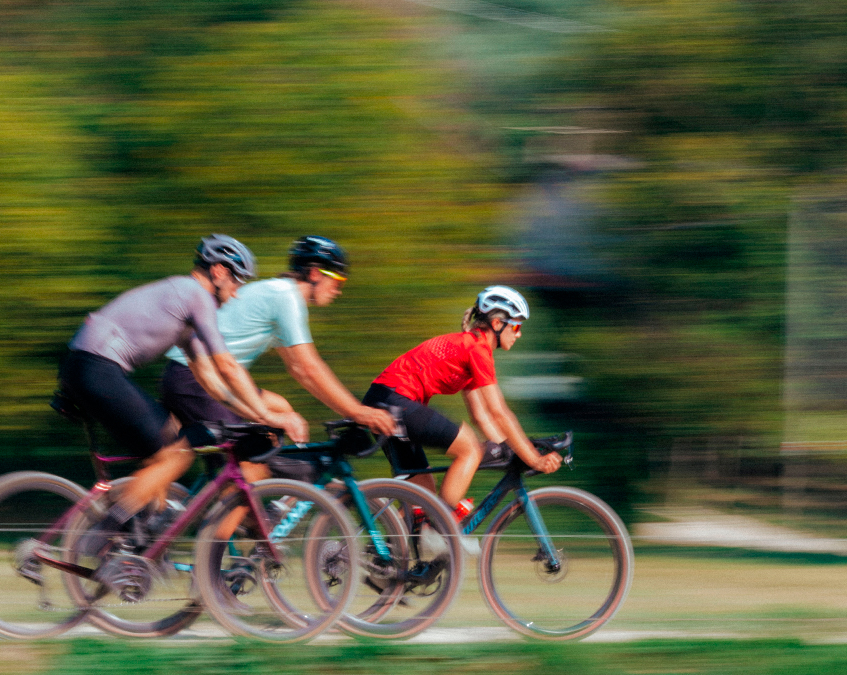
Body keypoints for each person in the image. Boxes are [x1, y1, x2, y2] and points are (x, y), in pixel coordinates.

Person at [58, 234, 307, 558]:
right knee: (176, 452)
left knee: (164, 449)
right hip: (97, 368)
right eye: (236, 282)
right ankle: (102, 534)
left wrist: (256, 413)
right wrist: (270, 416)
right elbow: (229, 367)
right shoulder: (196, 296)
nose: (234, 295)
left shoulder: (184, 308)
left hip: (84, 365)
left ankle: (138, 550)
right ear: (218, 271)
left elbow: (212, 382)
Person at [163, 236, 395, 478]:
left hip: (185, 375)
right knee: (249, 472)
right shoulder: (287, 297)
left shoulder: (276, 292)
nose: (339, 289)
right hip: (197, 380)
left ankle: (278, 503)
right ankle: (244, 501)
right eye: (337, 279)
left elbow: (296, 367)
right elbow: (308, 368)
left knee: (281, 409)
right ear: (315, 273)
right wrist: (358, 412)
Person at [362, 285, 562, 512]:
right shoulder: (476, 349)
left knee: (423, 492)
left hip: (384, 400)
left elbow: (482, 416)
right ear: (497, 324)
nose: (519, 333)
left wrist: (510, 449)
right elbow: (500, 412)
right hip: (394, 401)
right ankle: (442, 527)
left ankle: (386, 545)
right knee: (470, 448)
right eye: (516, 326)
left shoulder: (468, 347)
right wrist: (533, 458)